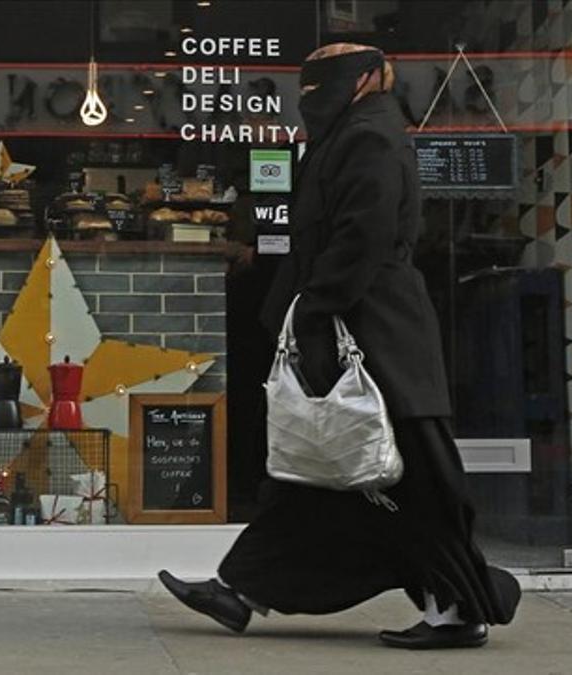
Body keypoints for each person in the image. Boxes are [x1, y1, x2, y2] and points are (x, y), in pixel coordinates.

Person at [158, 43, 521, 650]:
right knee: (316, 474)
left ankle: (461, 609)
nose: (309, 95)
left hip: (376, 332)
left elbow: (364, 235)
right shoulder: (351, 133)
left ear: (364, 82)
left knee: (411, 482)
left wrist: (315, 309)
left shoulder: (370, 138)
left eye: (323, 80)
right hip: (354, 324)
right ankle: (239, 590)